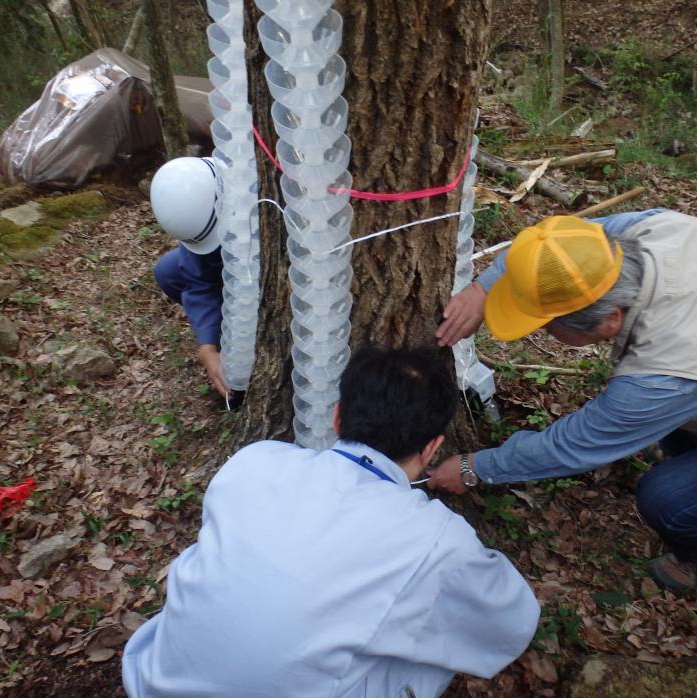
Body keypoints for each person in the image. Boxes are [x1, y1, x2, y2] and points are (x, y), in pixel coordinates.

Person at [431, 210, 697, 593]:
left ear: (609, 321)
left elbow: (572, 446)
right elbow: (555, 242)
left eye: (545, 326)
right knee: (672, 435)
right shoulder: (654, 232)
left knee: (667, 498)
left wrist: (475, 468)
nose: (541, 333)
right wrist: (483, 288)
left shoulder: (670, 370)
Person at [121, 346, 540, 698]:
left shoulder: (256, 459)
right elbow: (513, 621)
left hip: (152, 680)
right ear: (432, 448)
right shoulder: (436, 538)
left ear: (337, 417)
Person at [150, 156, 228, 399]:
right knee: (168, 270)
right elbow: (198, 280)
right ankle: (226, 334)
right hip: (220, 258)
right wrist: (208, 345)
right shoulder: (197, 211)